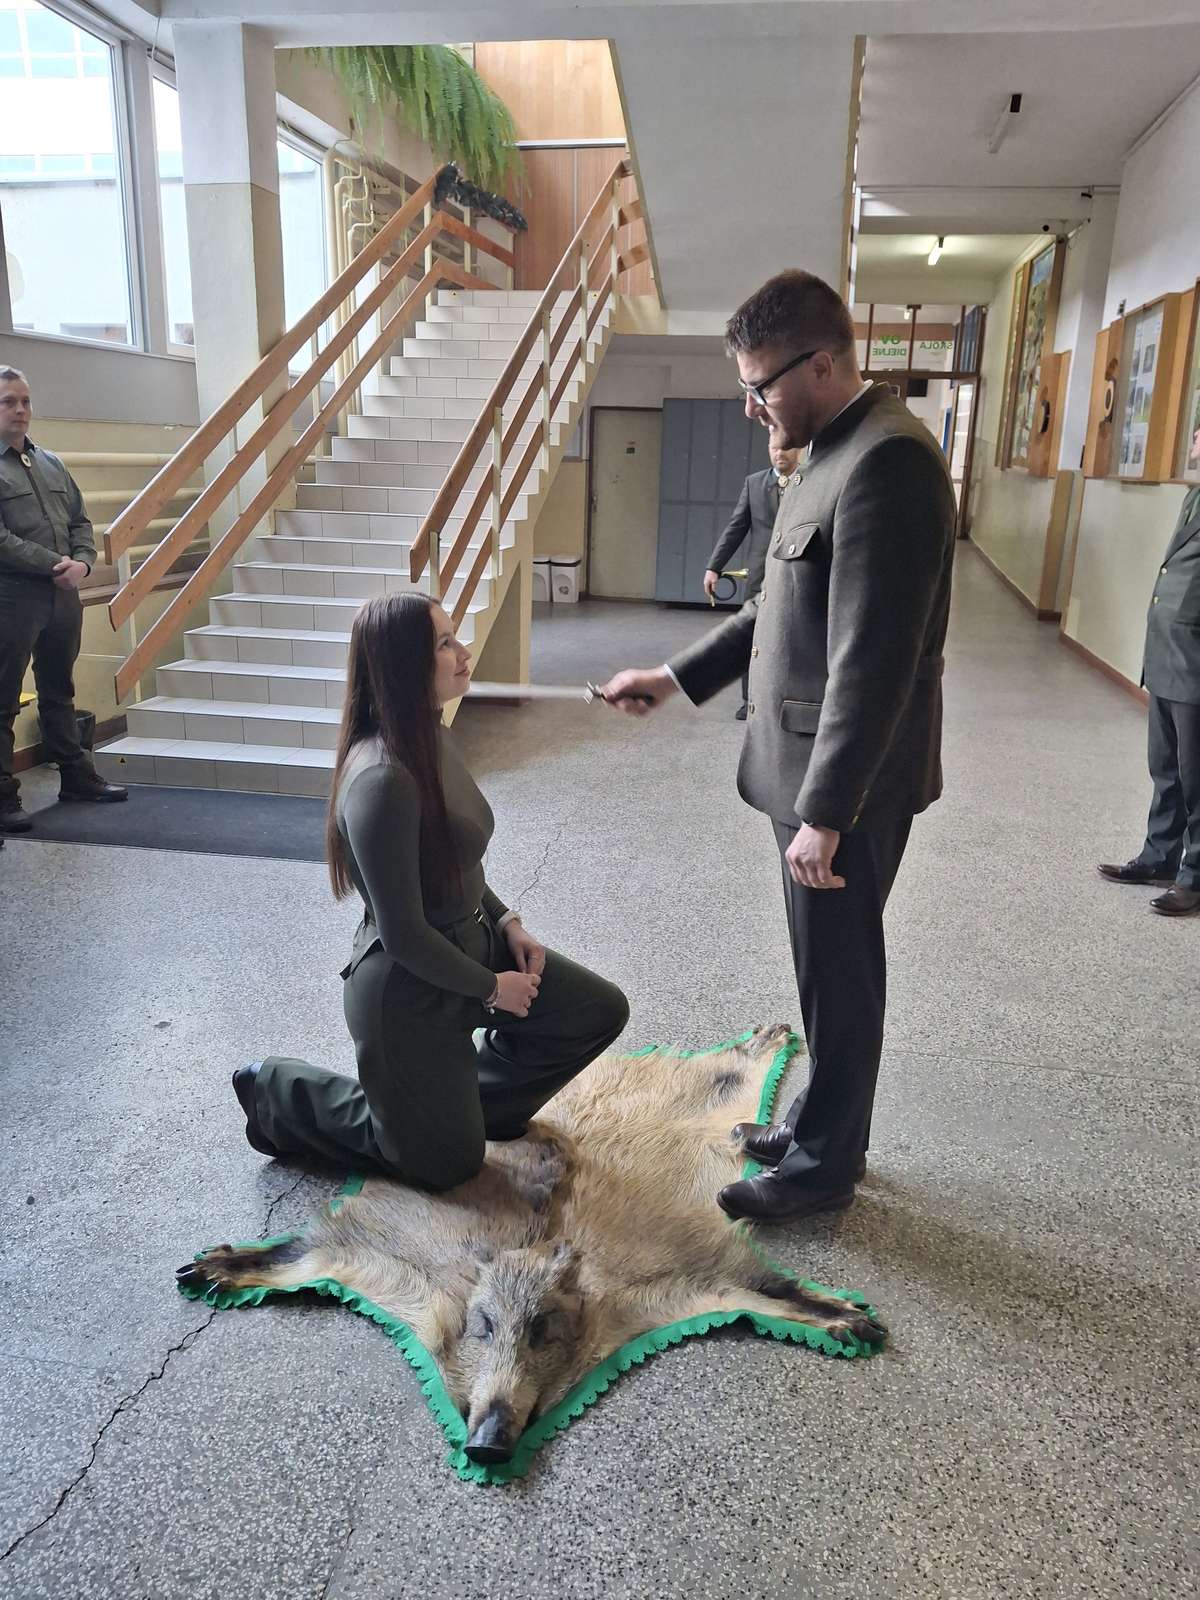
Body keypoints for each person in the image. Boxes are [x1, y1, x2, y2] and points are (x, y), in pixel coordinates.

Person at [602, 269, 956, 1223]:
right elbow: (774, 608)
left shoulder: (888, 462)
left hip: (843, 788)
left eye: (760, 384)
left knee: (842, 974)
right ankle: (816, 1127)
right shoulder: (829, 453)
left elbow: (874, 661)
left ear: (823, 364)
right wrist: (674, 677)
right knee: (822, 968)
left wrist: (827, 813)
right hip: (807, 775)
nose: (751, 404)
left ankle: (824, 1167)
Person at [233, 591, 629, 1188]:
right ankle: (279, 1091)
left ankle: (472, 1108)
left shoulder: (428, 732)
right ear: (402, 665)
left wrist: (506, 922)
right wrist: (493, 989)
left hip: (472, 942)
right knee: (445, 1165)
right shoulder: (382, 778)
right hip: (409, 987)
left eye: (454, 637)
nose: (463, 653)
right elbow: (404, 935)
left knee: (596, 1012)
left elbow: (455, 860)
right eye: (444, 644)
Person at [0, 366, 127, 831]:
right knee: (4, 697)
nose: (20, 410)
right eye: (8, 402)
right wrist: (57, 564)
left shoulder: (50, 462)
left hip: (63, 595)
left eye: (25, 401)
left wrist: (84, 564)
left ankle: (75, 776)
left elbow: (80, 521)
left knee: (59, 688)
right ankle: (3, 796)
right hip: (13, 596)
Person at [1097, 432, 1200, 917]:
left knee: (1196, 776)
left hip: (1194, 660)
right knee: (1166, 769)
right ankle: (1160, 857)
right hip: (1167, 654)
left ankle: (1193, 876)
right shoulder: (1194, 495)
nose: (1194, 437)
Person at [703, 434, 802, 719]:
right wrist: (714, 567)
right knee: (752, 636)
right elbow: (736, 527)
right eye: (774, 448)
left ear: (798, 449)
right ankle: (749, 700)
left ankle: (790, 700)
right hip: (761, 576)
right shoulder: (754, 484)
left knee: (796, 638)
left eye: (786, 448)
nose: (780, 453)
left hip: (799, 574)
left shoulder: (810, 482)